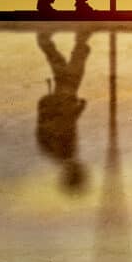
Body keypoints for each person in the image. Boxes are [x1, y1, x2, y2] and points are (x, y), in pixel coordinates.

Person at [36, 29, 91, 195]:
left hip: (62, 100)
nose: (81, 166)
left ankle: (49, 40)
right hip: (61, 101)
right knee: (68, 69)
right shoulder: (60, 154)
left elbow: (64, 123)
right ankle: (79, 40)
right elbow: (65, 124)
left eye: (78, 171)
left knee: (71, 70)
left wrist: (78, 109)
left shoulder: (64, 151)